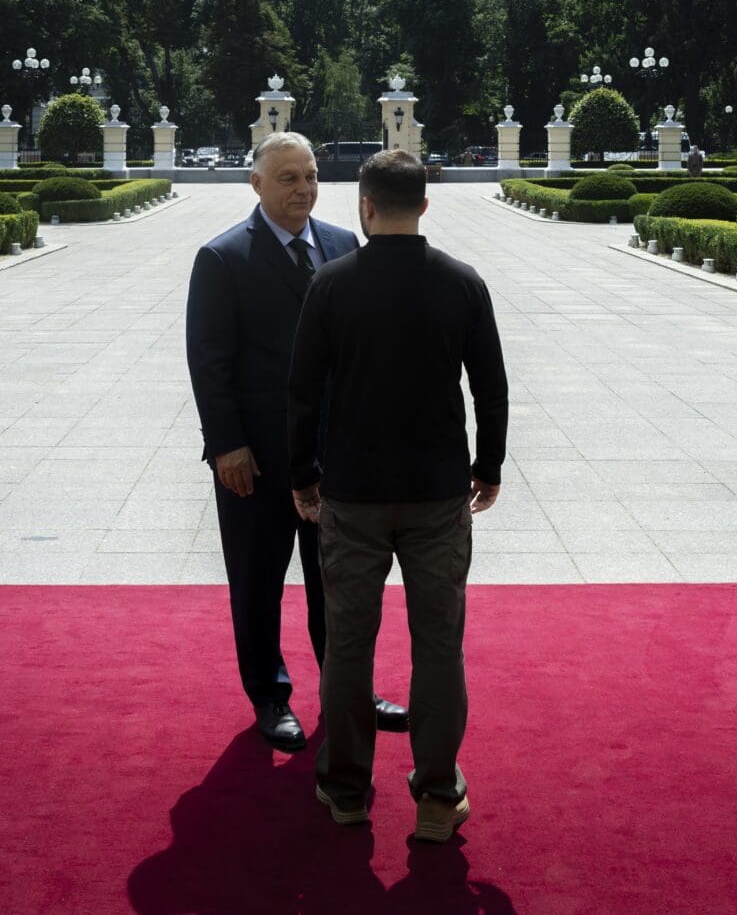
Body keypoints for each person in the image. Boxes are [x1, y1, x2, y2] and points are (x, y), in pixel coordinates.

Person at [288, 148, 509, 843]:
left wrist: (301, 475)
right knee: (439, 646)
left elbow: (300, 395)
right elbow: (492, 387)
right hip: (438, 491)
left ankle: (348, 789)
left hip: (351, 493)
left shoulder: (330, 284)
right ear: (425, 204)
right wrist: (489, 465)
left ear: (364, 204)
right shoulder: (462, 283)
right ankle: (438, 795)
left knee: (349, 645)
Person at [185, 131, 408, 752]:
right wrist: (226, 444)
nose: (303, 189)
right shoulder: (224, 256)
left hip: (334, 458)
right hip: (253, 461)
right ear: (255, 184)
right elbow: (209, 361)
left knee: (338, 584)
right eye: (288, 179)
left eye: (310, 176)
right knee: (257, 583)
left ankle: (348, 690)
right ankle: (269, 695)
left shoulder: (341, 245)